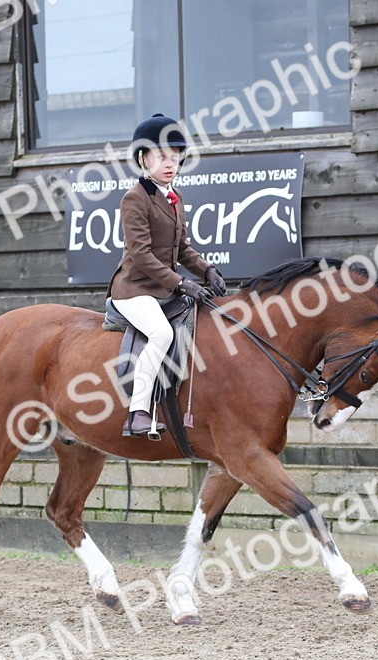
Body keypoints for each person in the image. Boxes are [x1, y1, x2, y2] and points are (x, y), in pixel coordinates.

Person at [107, 113, 226, 438]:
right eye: (161, 156)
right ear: (144, 158)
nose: (170, 163)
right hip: (134, 290)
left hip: (162, 290)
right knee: (161, 334)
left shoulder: (174, 197)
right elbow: (142, 257)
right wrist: (183, 284)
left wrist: (207, 270)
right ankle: (138, 413)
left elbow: (182, 249)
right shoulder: (134, 199)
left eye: (175, 156)